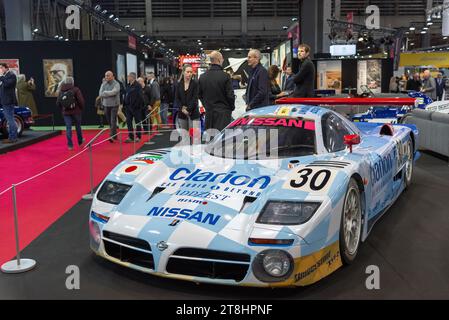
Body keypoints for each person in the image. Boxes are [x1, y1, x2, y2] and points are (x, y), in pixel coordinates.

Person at [199, 51, 235, 131]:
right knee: (222, 140)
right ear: (219, 60)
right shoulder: (225, 76)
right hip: (223, 113)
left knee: (210, 139)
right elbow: (230, 95)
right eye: (222, 59)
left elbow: (200, 95)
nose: (223, 61)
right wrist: (231, 108)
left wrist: (206, 106)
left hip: (209, 113)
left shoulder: (202, 77)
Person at [56, 77, 85, 150]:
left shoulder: (61, 90)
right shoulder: (76, 89)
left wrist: (63, 109)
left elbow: (58, 103)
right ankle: (80, 141)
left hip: (66, 113)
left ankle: (70, 145)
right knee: (78, 126)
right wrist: (81, 108)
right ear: (72, 82)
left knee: (68, 128)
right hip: (76, 111)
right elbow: (80, 100)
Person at [176, 64, 200, 139]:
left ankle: (195, 151)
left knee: (195, 137)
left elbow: (195, 98)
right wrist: (182, 109)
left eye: (191, 72)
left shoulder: (195, 84)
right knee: (184, 137)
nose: (189, 74)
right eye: (188, 72)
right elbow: (177, 98)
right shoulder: (178, 84)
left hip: (193, 113)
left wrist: (188, 109)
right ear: (183, 72)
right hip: (182, 113)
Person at [99, 71, 120, 142]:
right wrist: (107, 93)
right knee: (109, 122)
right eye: (105, 76)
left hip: (114, 105)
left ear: (112, 76)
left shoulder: (116, 84)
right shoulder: (103, 84)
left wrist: (105, 93)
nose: (106, 77)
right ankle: (115, 135)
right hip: (106, 105)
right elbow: (100, 94)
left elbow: (115, 92)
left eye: (108, 75)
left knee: (113, 121)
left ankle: (111, 136)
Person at [0, 62, 19, 143]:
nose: (0, 69)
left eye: (1, 67)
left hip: (8, 101)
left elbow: (8, 84)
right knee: (10, 119)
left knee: (10, 119)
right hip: (4, 101)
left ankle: (13, 138)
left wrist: (1, 76)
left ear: (6, 68)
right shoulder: (5, 76)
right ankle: (12, 137)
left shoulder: (11, 75)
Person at [123, 72, 144, 142]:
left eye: (128, 76)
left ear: (132, 77)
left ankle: (138, 136)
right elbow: (126, 95)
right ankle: (131, 137)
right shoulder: (128, 85)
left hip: (136, 108)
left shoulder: (138, 85)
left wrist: (137, 105)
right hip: (128, 107)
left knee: (137, 122)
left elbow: (140, 97)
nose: (127, 77)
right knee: (129, 122)